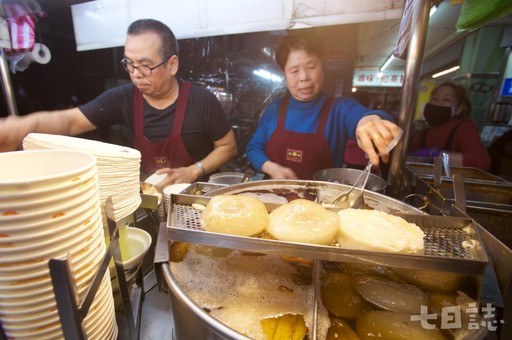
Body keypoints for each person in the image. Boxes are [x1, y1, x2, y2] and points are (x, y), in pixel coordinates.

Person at [0, 19, 237, 186]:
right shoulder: (122, 98)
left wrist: (193, 171)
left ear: (172, 64)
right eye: (130, 64)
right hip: (154, 194)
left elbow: (228, 147)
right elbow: (70, 121)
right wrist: (22, 126)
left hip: (198, 194)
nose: (136, 74)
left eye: (145, 65)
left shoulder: (201, 100)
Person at [245, 30, 401, 180]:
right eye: (294, 71)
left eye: (311, 67)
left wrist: (370, 121)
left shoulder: (339, 109)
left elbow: (364, 116)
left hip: (321, 202)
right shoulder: (275, 109)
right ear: (285, 77)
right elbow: (253, 148)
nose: (304, 77)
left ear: (322, 68)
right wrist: (272, 168)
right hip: (273, 199)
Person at [409, 82, 491, 171]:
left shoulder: (464, 130)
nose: (438, 104)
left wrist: (437, 155)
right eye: (435, 98)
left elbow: (483, 162)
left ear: (458, 109)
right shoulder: (423, 133)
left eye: (446, 100)